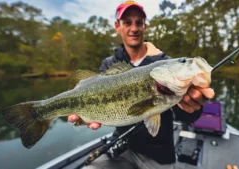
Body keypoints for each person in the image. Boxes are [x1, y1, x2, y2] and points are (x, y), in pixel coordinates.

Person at [68, 1, 215, 169]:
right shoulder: (109, 63)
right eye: (127, 22)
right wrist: (86, 116)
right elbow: (97, 99)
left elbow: (187, 116)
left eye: (139, 22)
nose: (134, 28)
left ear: (145, 26)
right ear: (118, 26)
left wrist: (194, 106)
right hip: (120, 146)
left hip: (159, 155)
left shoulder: (163, 63)